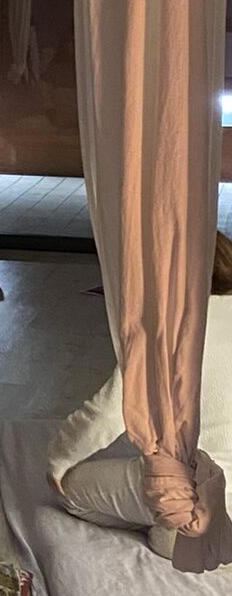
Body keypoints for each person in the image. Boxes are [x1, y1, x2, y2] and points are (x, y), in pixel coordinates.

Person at [47, 230, 232, 559]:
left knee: (70, 491)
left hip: (193, 488)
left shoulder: (164, 329)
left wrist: (58, 460)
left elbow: (106, 415)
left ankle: (180, 531)